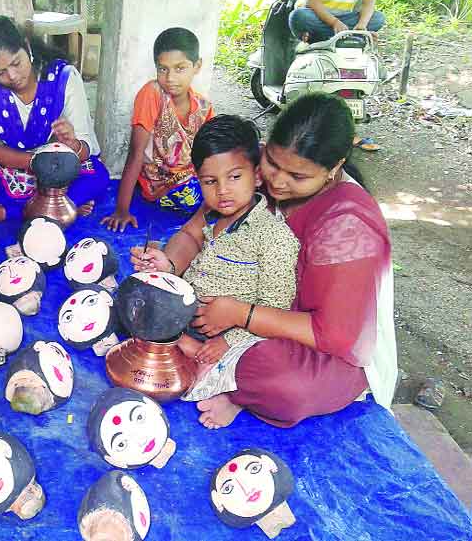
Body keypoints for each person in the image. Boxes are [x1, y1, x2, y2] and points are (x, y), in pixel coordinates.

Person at [132, 93, 397, 429]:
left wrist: (240, 315)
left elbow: (334, 335)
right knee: (147, 298)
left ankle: (234, 392)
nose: (276, 181)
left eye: (298, 177)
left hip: (311, 341)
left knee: (286, 385)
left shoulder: (348, 225)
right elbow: (194, 233)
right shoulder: (247, 171)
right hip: (229, 309)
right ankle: (205, 356)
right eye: (272, 162)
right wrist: (167, 268)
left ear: (334, 169)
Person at [134, 115, 299, 400]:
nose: (222, 191)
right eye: (210, 181)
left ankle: (183, 352)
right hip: (186, 313)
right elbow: (187, 237)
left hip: (230, 334)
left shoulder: (273, 236)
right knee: (136, 294)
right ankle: (175, 342)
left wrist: (227, 340)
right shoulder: (212, 213)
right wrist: (168, 265)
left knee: (247, 368)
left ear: (257, 175)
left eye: (235, 177)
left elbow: (275, 309)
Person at [0, 16, 109, 231]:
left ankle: (9, 211)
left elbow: (86, 146)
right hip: (5, 165)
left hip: (55, 165)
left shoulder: (63, 77)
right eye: (0, 72)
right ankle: (62, 208)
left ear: (26, 46)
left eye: (16, 63)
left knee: (96, 176)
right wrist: (34, 163)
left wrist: (72, 147)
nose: (12, 76)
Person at [102, 27, 215, 232]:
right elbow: (136, 152)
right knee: (198, 197)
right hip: (159, 183)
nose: (170, 77)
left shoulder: (204, 106)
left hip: (192, 175)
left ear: (197, 66)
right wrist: (121, 210)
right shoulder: (152, 94)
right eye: (163, 69)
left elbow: (209, 154)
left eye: (180, 68)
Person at [289, 0, 385, 43]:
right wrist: (334, 23)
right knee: (298, 17)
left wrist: (362, 25)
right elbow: (312, 1)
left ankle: (323, 36)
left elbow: (368, 4)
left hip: (344, 18)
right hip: (316, 15)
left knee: (378, 18)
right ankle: (348, 36)